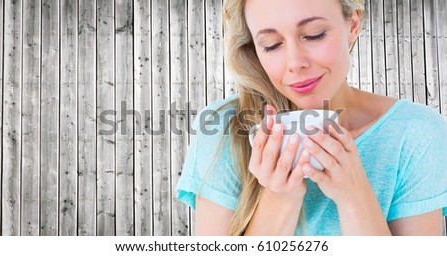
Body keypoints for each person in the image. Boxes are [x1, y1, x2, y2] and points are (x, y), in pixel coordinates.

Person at [176, 0, 447, 235]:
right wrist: (280, 200)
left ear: (353, 25)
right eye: (271, 45)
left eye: (314, 35)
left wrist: (354, 197)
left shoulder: (417, 133)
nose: (295, 62)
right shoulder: (224, 126)